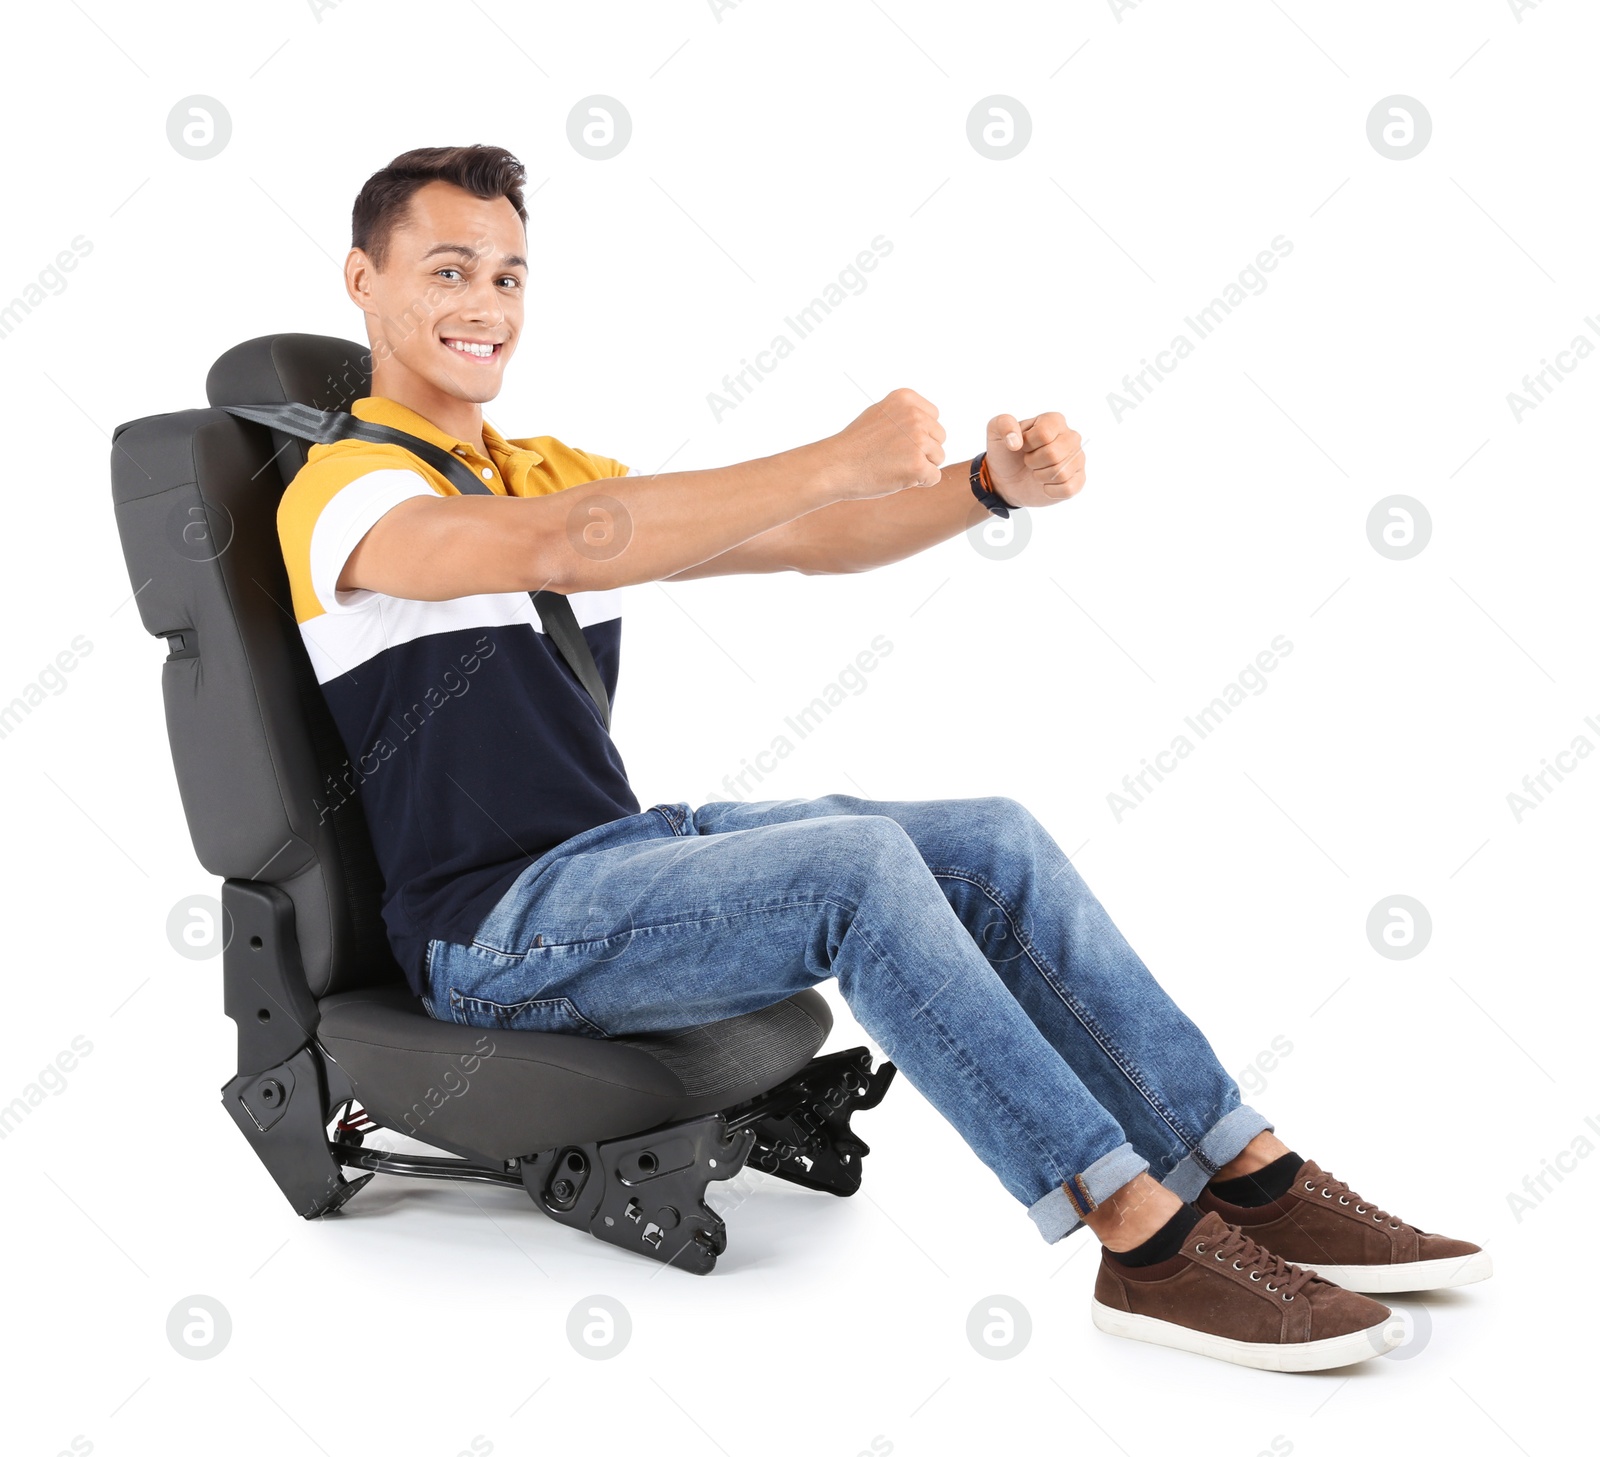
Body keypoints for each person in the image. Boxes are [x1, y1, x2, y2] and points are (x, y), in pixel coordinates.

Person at [277, 144, 1489, 1371]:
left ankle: (1244, 1167)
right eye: (447, 270)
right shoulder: (343, 494)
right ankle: (1140, 1239)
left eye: (509, 276)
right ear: (362, 282)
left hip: (609, 855)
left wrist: (981, 486)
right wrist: (825, 452)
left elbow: (810, 536)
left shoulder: (530, 466)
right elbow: (564, 547)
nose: (486, 305)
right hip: (493, 926)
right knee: (851, 870)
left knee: (989, 839)